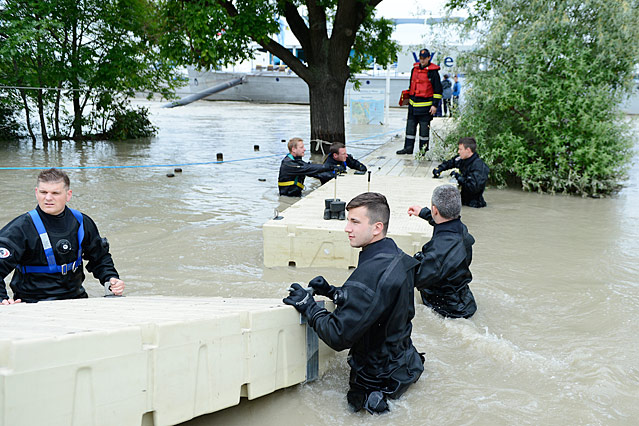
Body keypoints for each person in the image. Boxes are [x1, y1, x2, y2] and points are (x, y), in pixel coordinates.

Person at [283, 192, 424, 414]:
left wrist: (308, 306)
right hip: (405, 365)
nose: (347, 228)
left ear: (377, 227)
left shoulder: (369, 275)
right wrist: (334, 293)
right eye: (348, 220)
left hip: (374, 385)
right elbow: (380, 305)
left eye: (355, 222)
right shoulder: (399, 258)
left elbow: (338, 336)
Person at [0, 168, 125, 304]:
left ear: (68, 195)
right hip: (33, 303)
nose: (48, 198)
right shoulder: (20, 228)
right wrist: (2, 299)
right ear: (36, 193)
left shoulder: (82, 222)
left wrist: (111, 278)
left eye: (55, 193)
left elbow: (100, 258)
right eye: (43, 192)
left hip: (76, 299)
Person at [408, 184, 477, 318]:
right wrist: (423, 212)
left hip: (446, 310)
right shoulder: (461, 230)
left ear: (435, 210)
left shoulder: (437, 253)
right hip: (465, 300)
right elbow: (445, 223)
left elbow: (416, 279)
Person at [397, 48, 442, 155]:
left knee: (424, 131)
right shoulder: (414, 70)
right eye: (421, 58)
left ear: (429, 58)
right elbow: (411, 85)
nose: (422, 61)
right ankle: (408, 148)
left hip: (426, 107)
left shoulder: (433, 73)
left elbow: (438, 90)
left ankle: (423, 151)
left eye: (424, 58)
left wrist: (434, 105)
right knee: (410, 129)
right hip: (413, 106)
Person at [433, 137, 489, 208]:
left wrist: (458, 177)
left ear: (468, 150)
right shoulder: (462, 159)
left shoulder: (479, 167)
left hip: (475, 204)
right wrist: (439, 169)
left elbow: (473, 188)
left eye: (460, 149)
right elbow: (451, 162)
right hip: (463, 200)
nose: (458, 152)